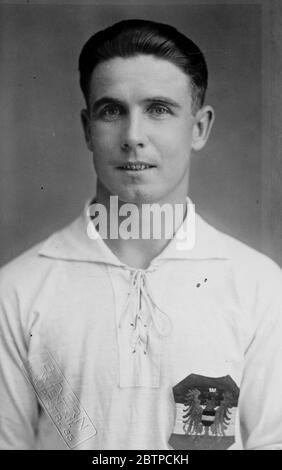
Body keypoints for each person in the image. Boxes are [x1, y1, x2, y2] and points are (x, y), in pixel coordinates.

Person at [0, 18, 282, 451]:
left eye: (159, 109)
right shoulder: (16, 290)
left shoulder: (259, 285)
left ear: (200, 127)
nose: (133, 137)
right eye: (112, 111)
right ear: (87, 129)